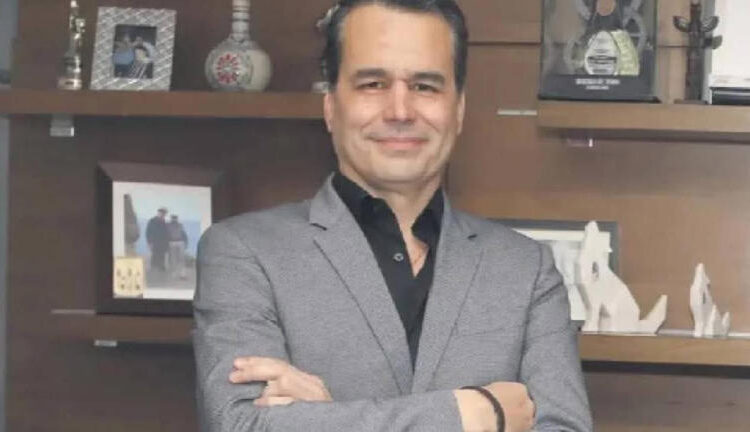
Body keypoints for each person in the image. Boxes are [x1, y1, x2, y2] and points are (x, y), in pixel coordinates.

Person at [193, 1, 592, 431]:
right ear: (331, 106)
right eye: (372, 84)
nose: (400, 111)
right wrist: (472, 413)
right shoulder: (243, 253)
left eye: (425, 86)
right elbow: (240, 425)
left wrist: (326, 417)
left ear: (458, 110)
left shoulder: (526, 270)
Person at [145, 207, 169, 271]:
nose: (163, 215)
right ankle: (154, 268)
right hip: (154, 241)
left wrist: (166, 243)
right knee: (155, 254)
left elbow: (166, 233)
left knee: (162, 255)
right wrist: (149, 242)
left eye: (164, 214)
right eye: (162, 213)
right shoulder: (152, 221)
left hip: (162, 242)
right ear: (159, 213)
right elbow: (148, 232)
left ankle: (161, 267)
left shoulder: (164, 222)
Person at [167, 214, 189, 279]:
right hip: (172, 242)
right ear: (171, 219)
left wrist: (186, 242)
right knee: (173, 258)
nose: (174, 219)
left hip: (179, 242)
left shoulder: (180, 225)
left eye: (175, 218)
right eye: (173, 218)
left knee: (181, 258)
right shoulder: (168, 225)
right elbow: (166, 234)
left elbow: (183, 234)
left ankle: (182, 273)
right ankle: (175, 273)